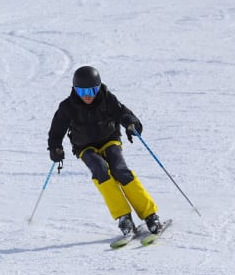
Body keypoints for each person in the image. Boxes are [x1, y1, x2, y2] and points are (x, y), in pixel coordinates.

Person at [46, 66, 164, 236]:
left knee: (120, 170)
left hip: (109, 139)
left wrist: (131, 124)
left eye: (92, 90)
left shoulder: (106, 98)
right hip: (84, 146)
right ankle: (124, 217)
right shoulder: (67, 107)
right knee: (100, 170)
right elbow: (56, 130)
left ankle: (150, 215)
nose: (88, 95)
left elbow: (123, 113)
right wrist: (55, 147)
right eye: (82, 91)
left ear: (99, 87)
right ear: (75, 90)